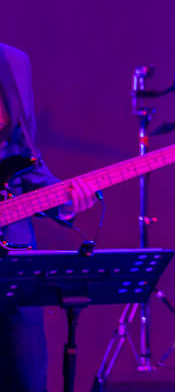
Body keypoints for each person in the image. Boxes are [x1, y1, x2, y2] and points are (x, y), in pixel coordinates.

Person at [0, 43, 98, 392]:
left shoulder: (12, 62)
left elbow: (24, 159)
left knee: (25, 376)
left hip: (11, 245)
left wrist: (64, 200)